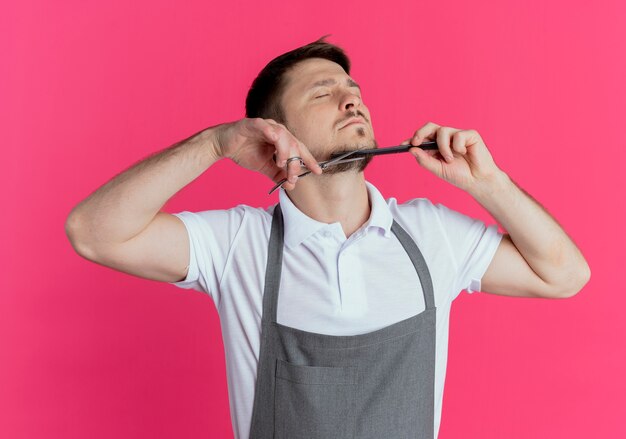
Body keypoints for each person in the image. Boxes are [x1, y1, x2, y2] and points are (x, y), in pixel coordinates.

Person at [65, 35, 591, 439]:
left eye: (354, 92)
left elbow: (566, 276)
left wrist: (488, 183)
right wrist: (213, 144)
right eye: (324, 93)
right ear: (274, 130)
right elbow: (92, 233)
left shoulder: (432, 235)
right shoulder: (236, 246)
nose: (351, 102)